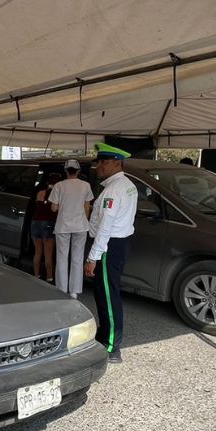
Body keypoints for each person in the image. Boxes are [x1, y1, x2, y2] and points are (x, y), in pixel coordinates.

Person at [84, 143, 137, 365]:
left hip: (107, 246)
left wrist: (92, 258)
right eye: (99, 162)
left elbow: (105, 227)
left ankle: (111, 345)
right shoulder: (126, 184)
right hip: (117, 243)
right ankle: (106, 332)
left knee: (107, 295)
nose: (99, 167)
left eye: (104, 162)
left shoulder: (113, 190)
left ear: (117, 162)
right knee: (107, 293)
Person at [48, 160, 94, 299]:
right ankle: (74, 292)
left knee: (62, 258)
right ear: (78, 171)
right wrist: (83, 219)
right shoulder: (86, 185)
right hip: (81, 226)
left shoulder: (59, 186)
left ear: (66, 170)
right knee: (78, 258)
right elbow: (87, 207)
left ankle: (61, 290)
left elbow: (54, 208)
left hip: (63, 226)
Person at [31, 173, 60, 282]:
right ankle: (49, 277)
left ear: (47, 182)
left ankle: (36, 275)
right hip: (48, 224)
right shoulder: (57, 195)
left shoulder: (40, 193)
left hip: (35, 223)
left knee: (38, 252)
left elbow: (37, 206)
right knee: (48, 254)